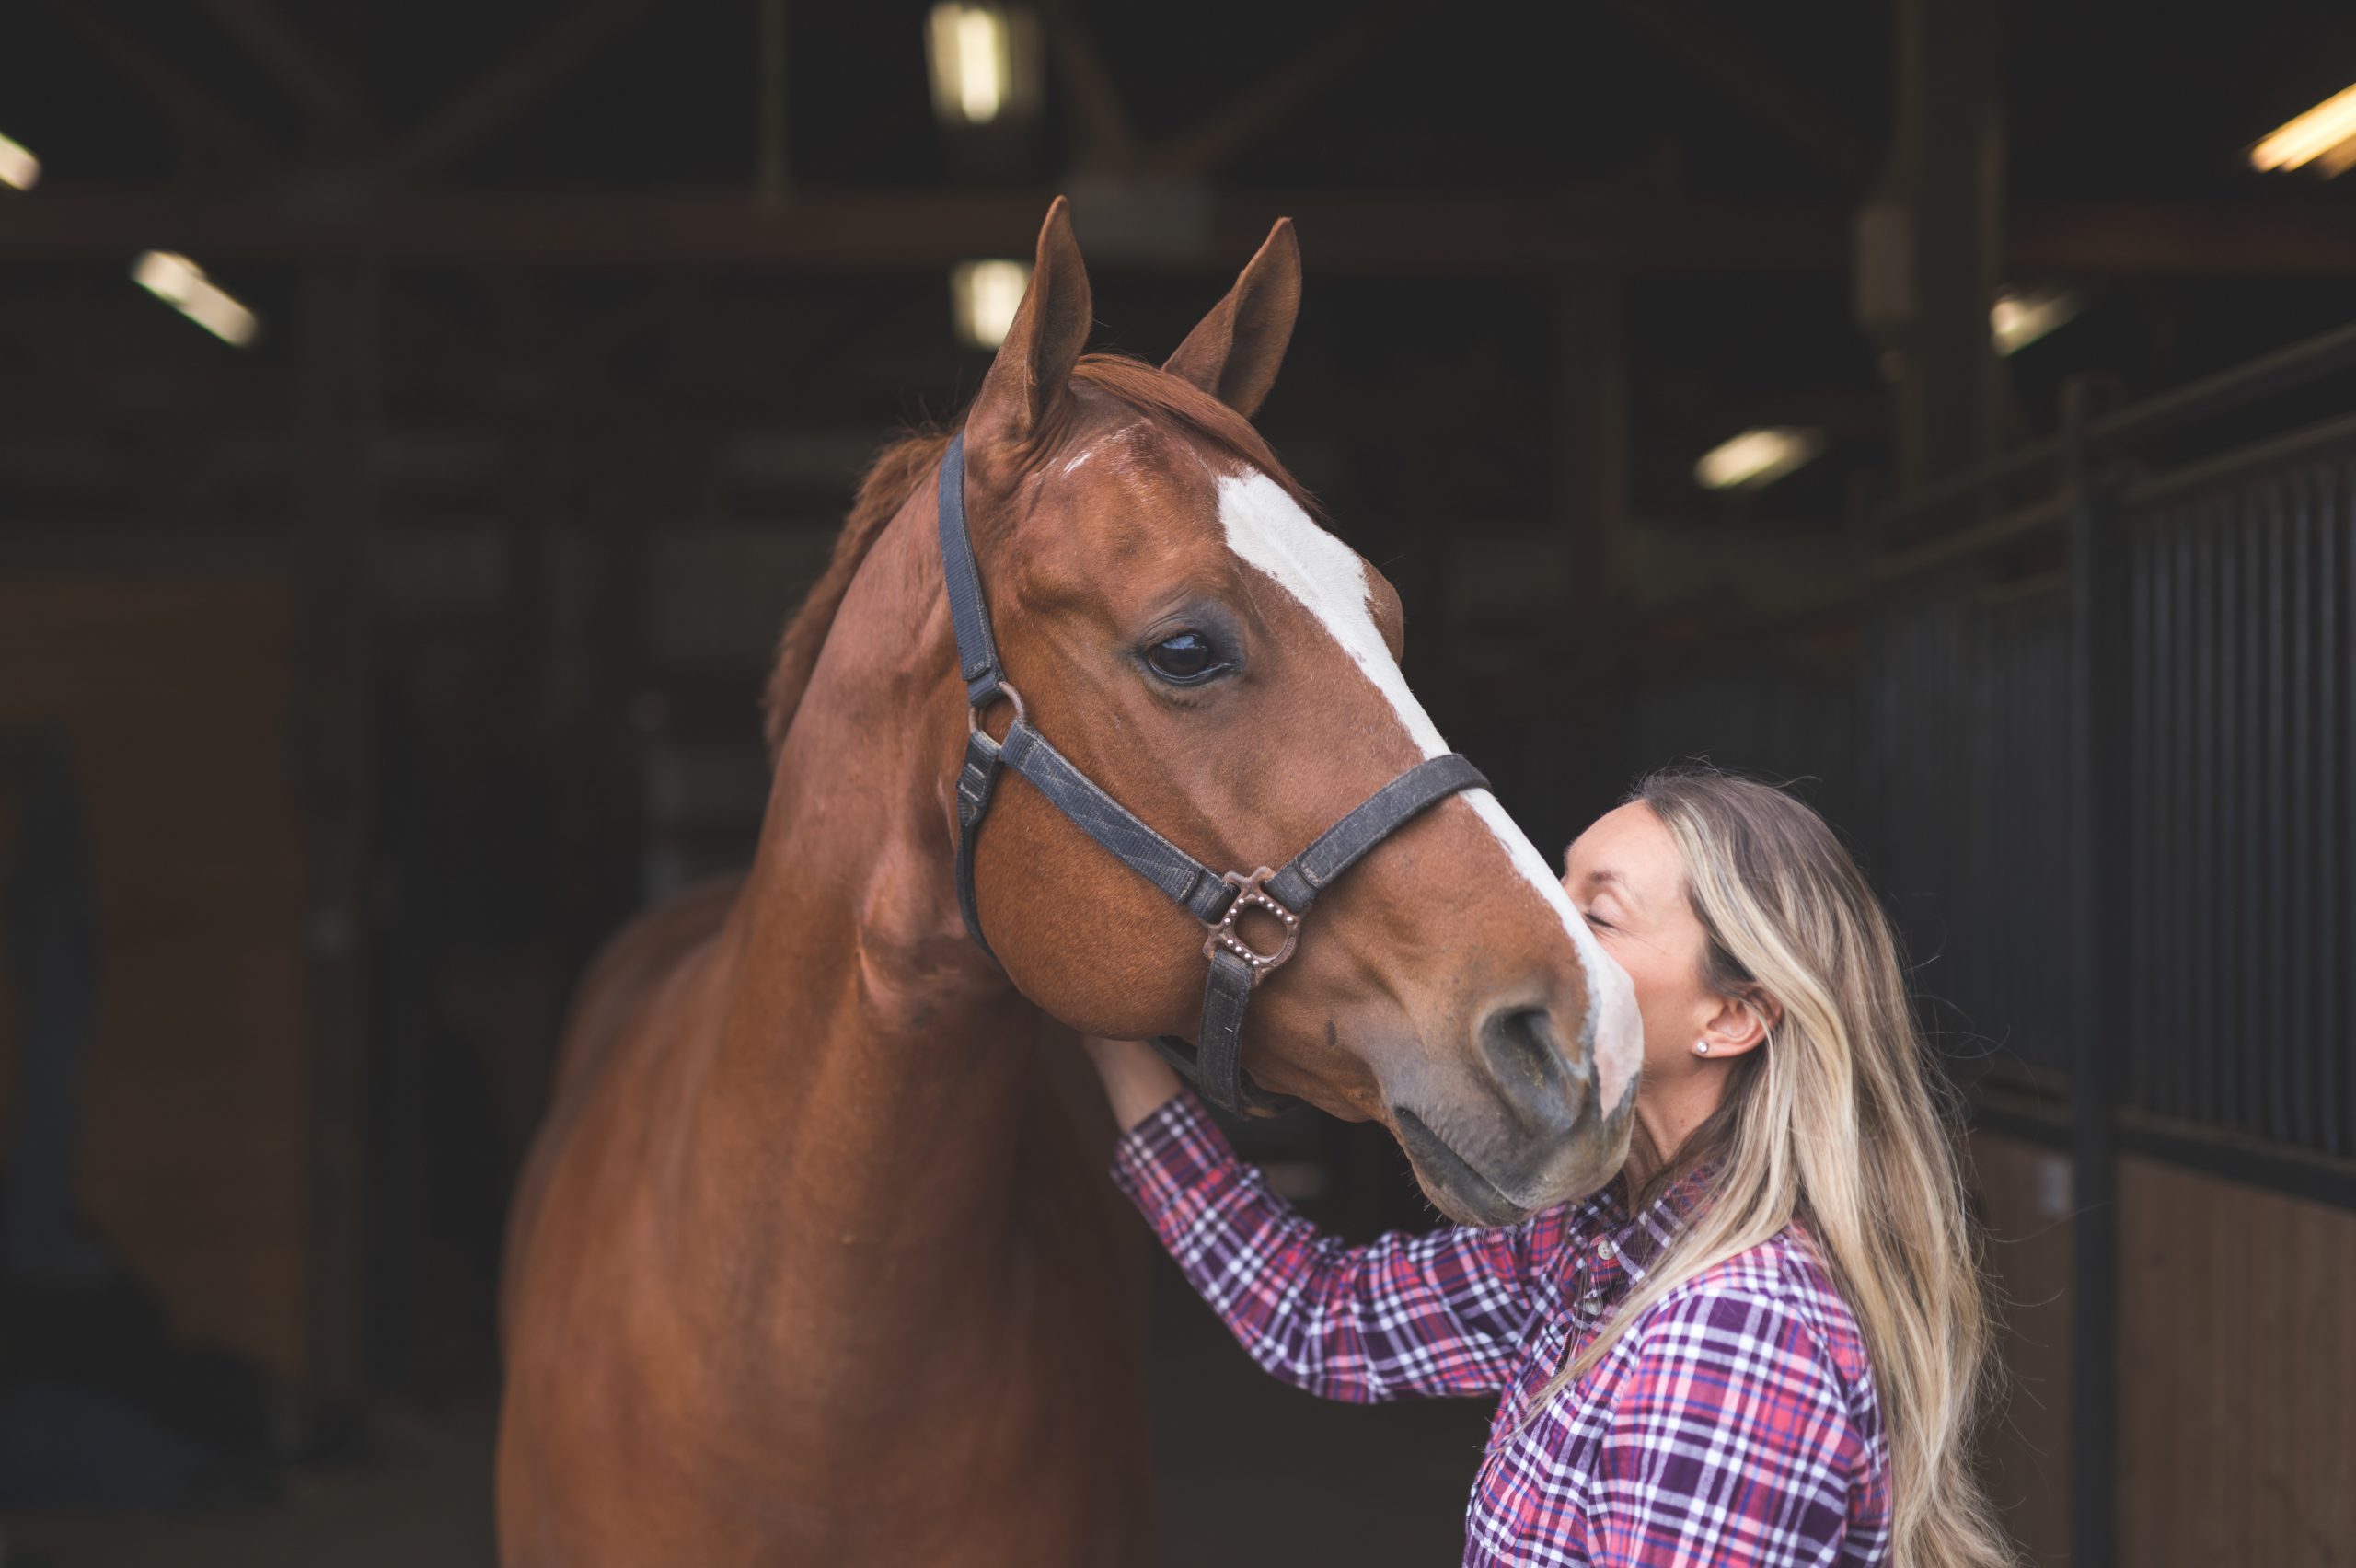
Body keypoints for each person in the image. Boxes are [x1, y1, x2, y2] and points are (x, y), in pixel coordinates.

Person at [1084, 766, 2012, 1568]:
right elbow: (1320, 1314)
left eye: (1595, 915)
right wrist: (1107, 1026)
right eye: (1549, 891)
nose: (1534, 933)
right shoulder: (1588, 1243)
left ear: (1730, 1019)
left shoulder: (1731, 1331)